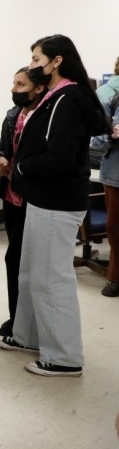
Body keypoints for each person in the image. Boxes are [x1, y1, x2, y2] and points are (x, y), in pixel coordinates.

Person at [0, 34, 108, 377]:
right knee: (30, 274)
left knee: (50, 279)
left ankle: (64, 357)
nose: (31, 65)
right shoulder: (54, 96)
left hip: (57, 201)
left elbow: (57, 155)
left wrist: (23, 167)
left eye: (35, 59)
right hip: (42, 199)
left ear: (56, 61)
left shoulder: (67, 98)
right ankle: (27, 335)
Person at [0, 67, 45, 336]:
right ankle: (17, 319)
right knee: (14, 260)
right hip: (12, 198)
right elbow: (2, 148)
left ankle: (25, 323)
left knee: (23, 262)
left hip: (33, 200)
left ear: (38, 88)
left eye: (20, 84)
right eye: (13, 83)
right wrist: (0, 160)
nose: (14, 89)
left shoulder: (45, 117)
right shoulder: (13, 115)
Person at [97, 92, 119, 297]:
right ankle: (115, 277)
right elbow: (95, 140)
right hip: (115, 177)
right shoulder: (112, 99)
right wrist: (111, 134)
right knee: (115, 229)